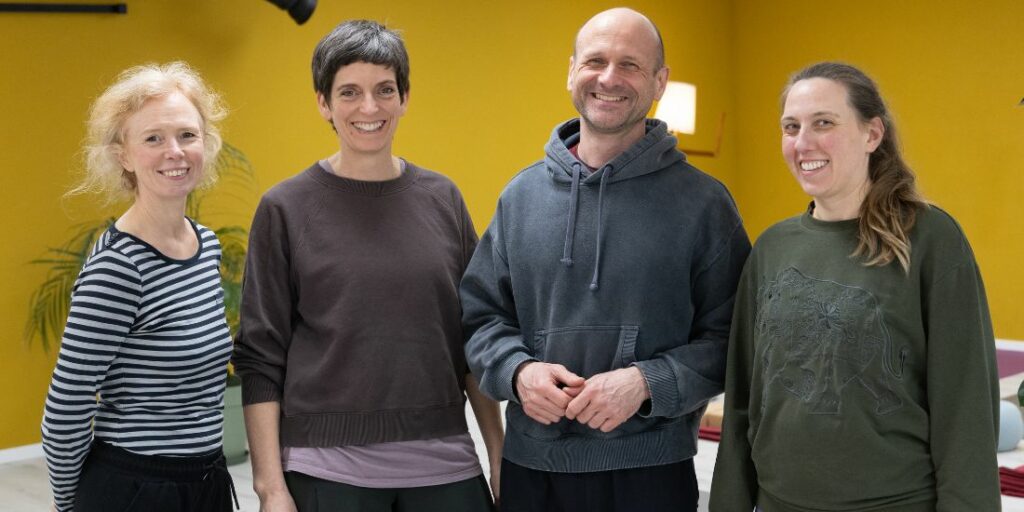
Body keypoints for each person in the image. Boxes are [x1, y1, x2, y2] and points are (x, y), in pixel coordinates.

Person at [460, 8, 750, 512]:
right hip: (534, 472)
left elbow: (735, 339)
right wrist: (518, 372)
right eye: (595, 61)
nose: (609, 78)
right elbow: (479, 318)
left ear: (660, 81)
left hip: (652, 476)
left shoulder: (704, 205)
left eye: (630, 65)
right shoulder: (520, 197)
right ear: (572, 70)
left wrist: (646, 383)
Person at [231, 19, 503, 512]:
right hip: (323, 466)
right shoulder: (285, 209)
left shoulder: (442, 199)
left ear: (404, 98)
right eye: (350, 92)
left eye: (384, 90)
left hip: (446, 460)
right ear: (323, 102)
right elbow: (261, 358)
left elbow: (472, 338)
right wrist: (270, 487)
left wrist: (499, 454)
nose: (369, 108)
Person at [709, 62, 1001, 511]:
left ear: (872, 134)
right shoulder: (771, 248)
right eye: (791, 127)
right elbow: (744, 402)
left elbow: (966, 411)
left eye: (823, 123)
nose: (803, 142)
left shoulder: (930, 240)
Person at [40, 62, 236, 512]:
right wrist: (71, 504)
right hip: (135, 490)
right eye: (153, 138)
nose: (175, 151)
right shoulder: (119, 267)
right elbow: (67, 405)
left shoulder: (205, 245)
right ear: (123, 155)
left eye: (187, 135)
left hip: (204, 480)